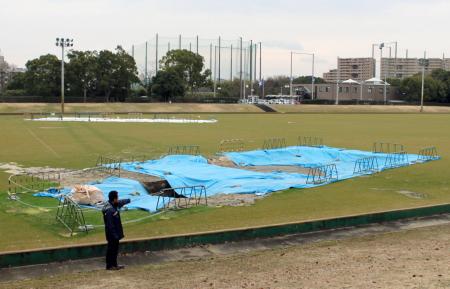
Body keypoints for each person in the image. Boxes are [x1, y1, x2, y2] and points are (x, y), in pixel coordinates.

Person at [102, 190, 130, 270]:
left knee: (115, 250)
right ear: (114, 199)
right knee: (111, 250)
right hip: (112, 234)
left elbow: (121, 202)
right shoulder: (110, 210)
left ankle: (114, 265)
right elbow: (110, 225)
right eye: (117, 198)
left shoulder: (113, 204)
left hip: (115, 234)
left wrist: (129, 200)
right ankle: (110, 266)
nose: (118, 199)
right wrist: (115, 235)